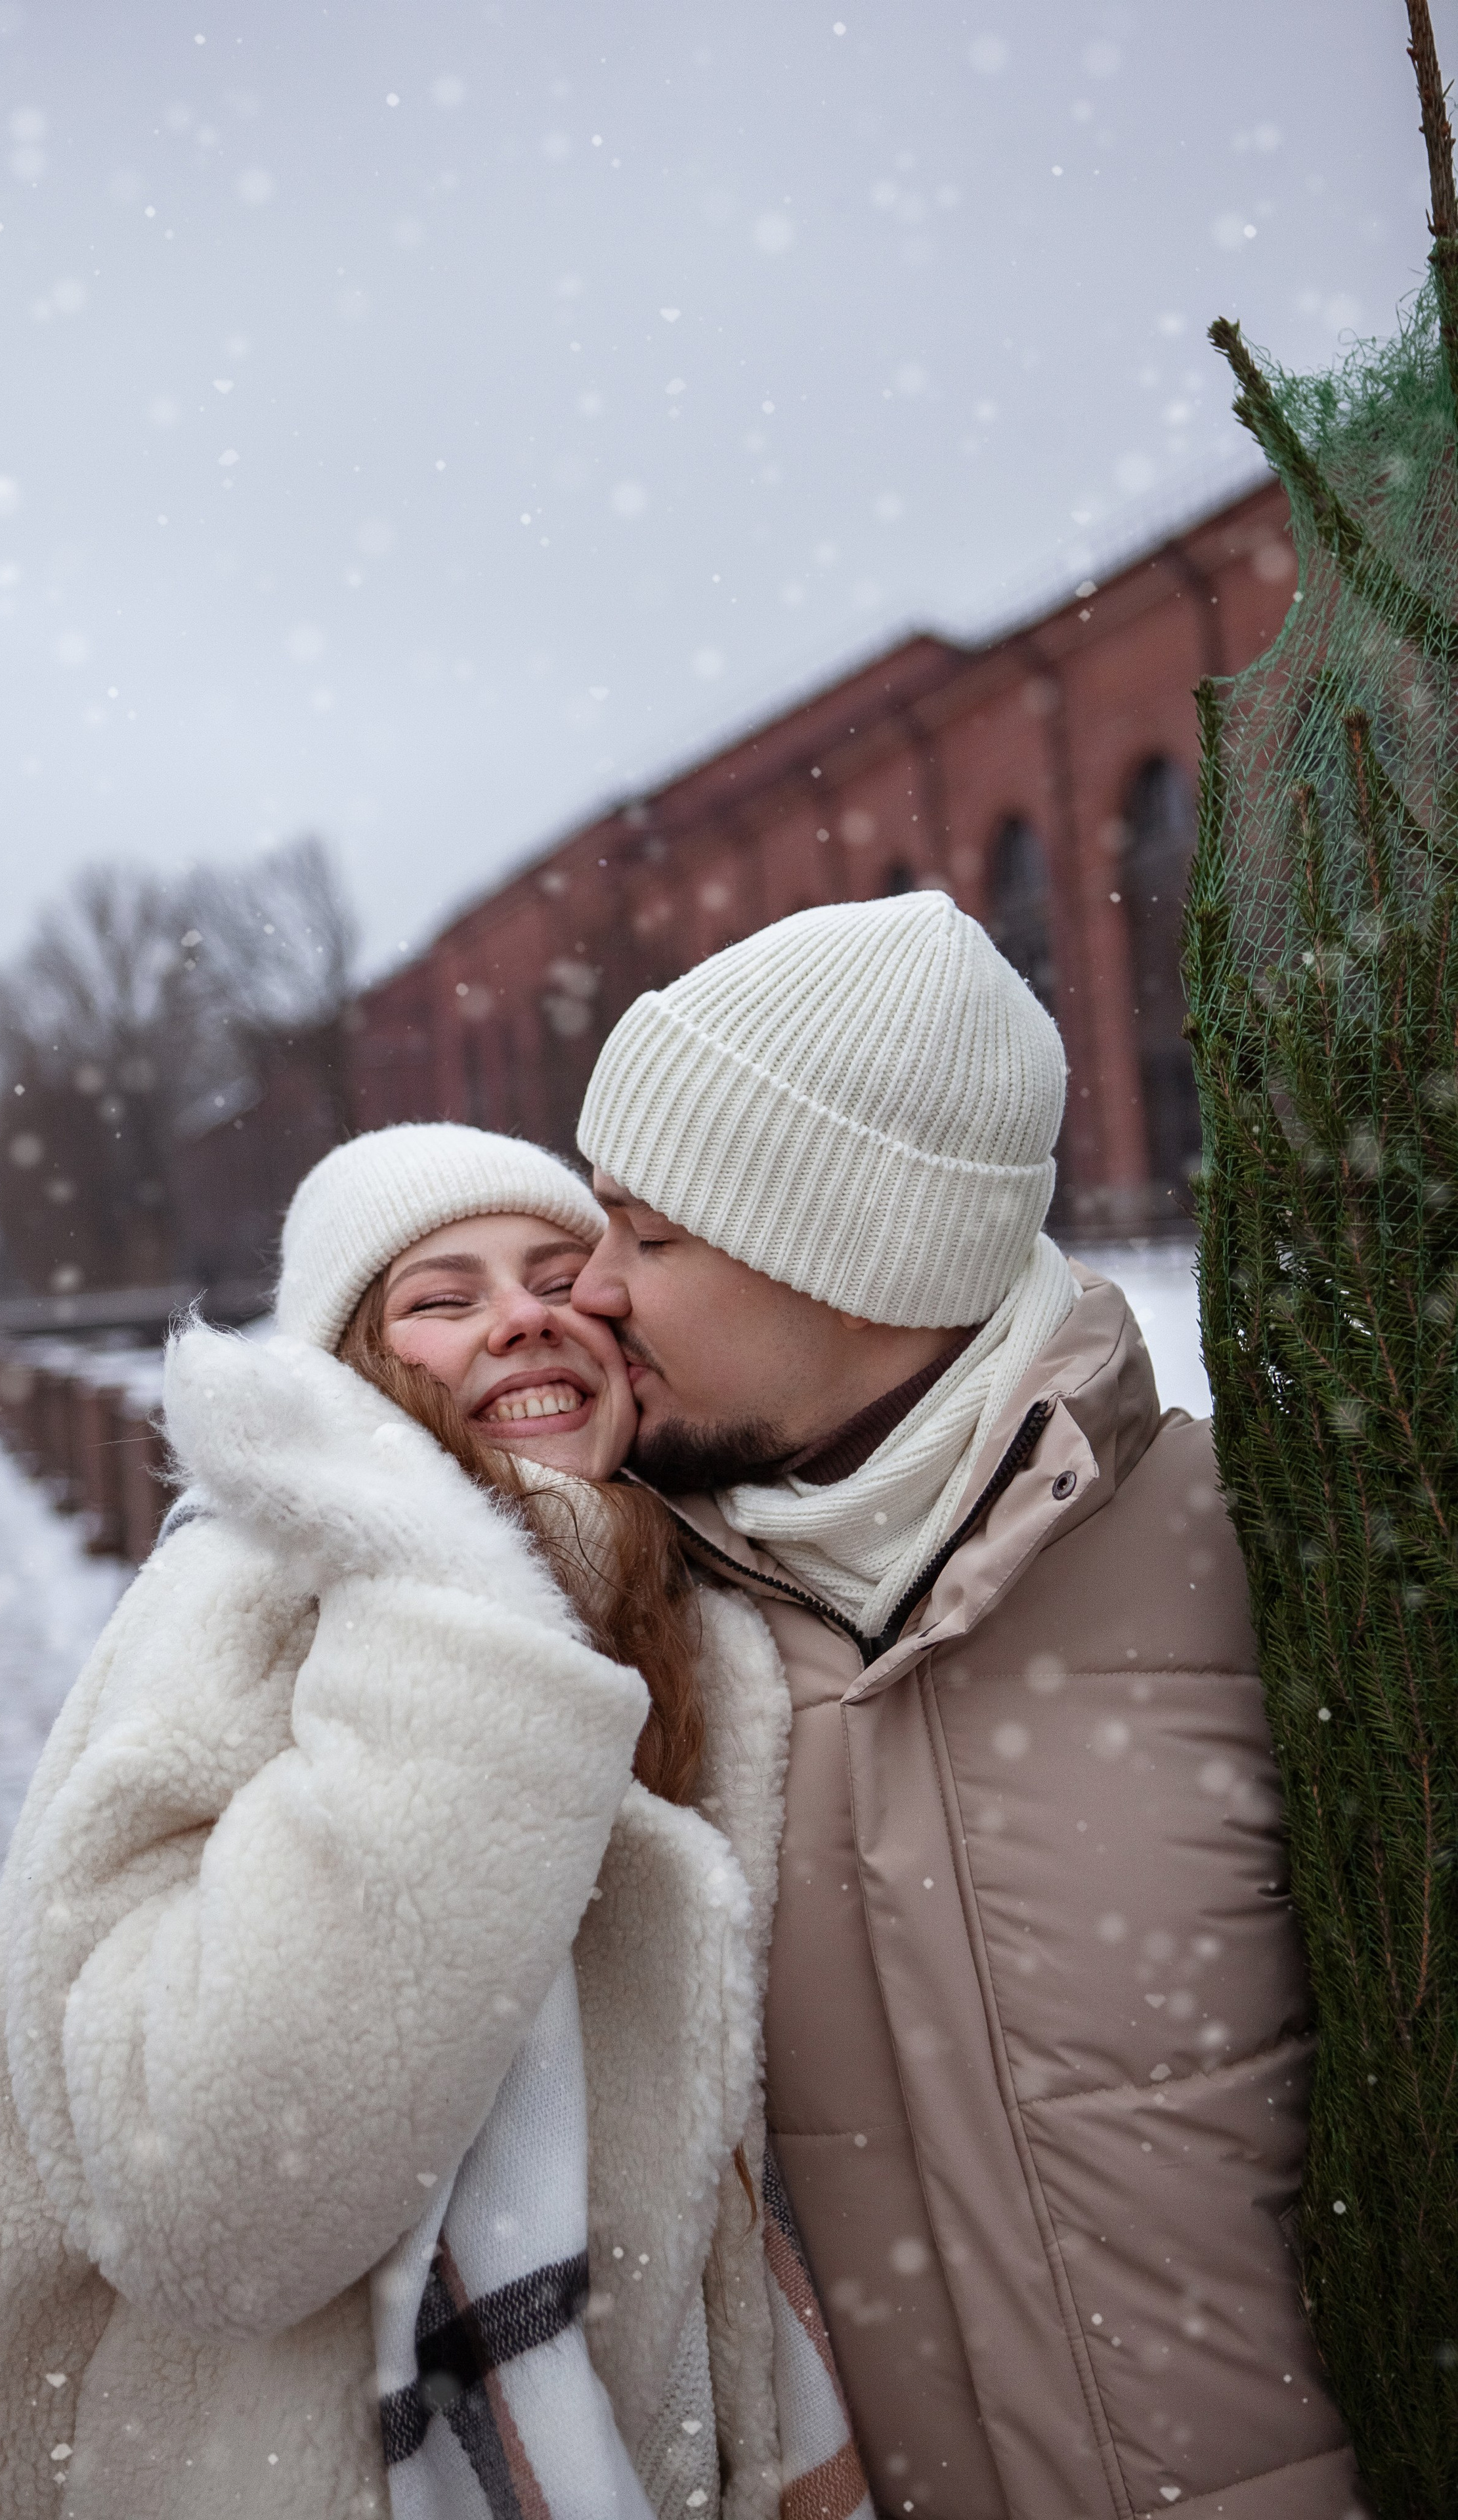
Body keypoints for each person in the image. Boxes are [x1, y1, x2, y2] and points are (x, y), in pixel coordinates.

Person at [0, 1124, 871, 2520]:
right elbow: (212, 2206)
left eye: (553, 1276)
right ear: (355, 1376)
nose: (522, 1317)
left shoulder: (704, 1620)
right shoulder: (240, 1606)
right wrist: (458, 1650)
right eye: (443, 1298)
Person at [571, 894, 1367, 2520]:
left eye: (648, 1238)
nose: (591, 1291)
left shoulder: (1272, 1571)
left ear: (854, 1262)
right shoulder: (622, 1635)